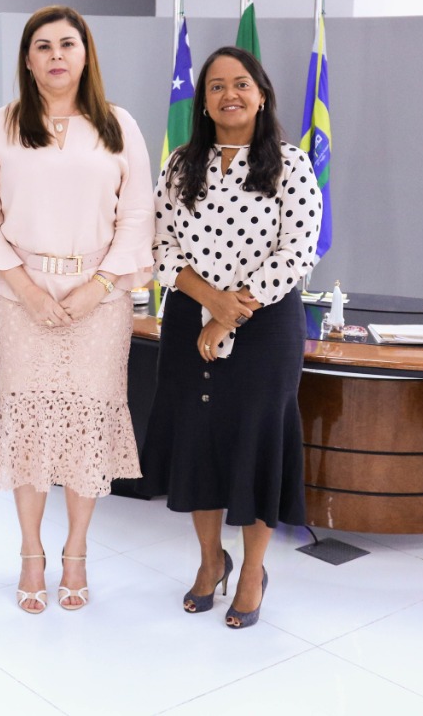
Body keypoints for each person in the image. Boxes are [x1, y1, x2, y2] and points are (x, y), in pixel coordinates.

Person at [0, 5, 154, 613]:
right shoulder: (1, 126)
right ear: (28, 59)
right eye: (43, 46)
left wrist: (100, 287)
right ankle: (30, 553)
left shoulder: (118, 125)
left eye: (68, 44)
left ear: (86, 54)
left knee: (88, 422)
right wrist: (29, 291)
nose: (56, 55)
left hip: (102, 301)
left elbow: (137, 216)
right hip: (21, 301)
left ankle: (76, 552)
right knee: (30, 423)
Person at [140, 46, 322, 629]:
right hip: (189, 318)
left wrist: (228, 313)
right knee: (199, 442)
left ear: (261, 95)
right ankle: (210, 560)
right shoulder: (181, 165)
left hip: (266, 325)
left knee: (257, 445)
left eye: (241, 83)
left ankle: (252, 571)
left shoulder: (290, 164)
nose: (229, 95)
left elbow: (298, 252)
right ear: (203, 102)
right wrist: (209, 301)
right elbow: (160, 244)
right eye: (216, 86)